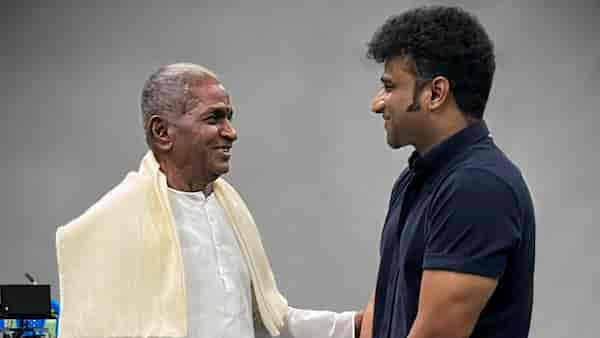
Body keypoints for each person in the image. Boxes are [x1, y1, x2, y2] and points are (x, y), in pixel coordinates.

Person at [56, 63, 361, 338]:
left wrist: (355, 326)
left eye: (229, 117)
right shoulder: (109, 225)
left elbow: (266, 321)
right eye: (214, 118)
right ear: (162, 132)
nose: (231, 133)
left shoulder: (230, 209)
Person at [358, 6, 535, 338]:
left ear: (435, 93)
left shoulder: (478, 186)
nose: (377, 103)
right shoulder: (415, 179)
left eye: (390, 86)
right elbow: (381, 308)